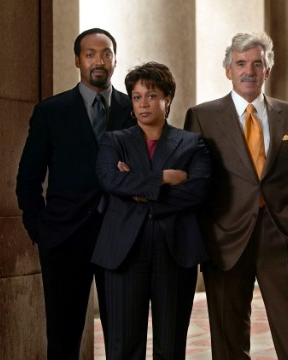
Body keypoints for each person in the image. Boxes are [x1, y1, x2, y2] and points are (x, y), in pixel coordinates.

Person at [184, 32, 288, 360]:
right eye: (241, 63)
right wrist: (201, 239)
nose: (249, 70)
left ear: (268, 70)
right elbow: (194, 185)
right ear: (228, 70)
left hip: (284, 237)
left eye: (257, 64)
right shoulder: (202, 116)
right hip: (224, 240)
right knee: (228, 340)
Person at [15, 28, 133, 359]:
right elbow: (28, 178)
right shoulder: (51, 112)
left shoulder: (132, 110)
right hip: (63, 239)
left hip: (120, 239)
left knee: (123, 338)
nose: (100, 60)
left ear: (115, 59)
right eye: (91, 54)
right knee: (63, 338)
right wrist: (39, 228)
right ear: (77, 60)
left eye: (106, 53)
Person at [91, 62, 211, 359]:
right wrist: (163, 178)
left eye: (151, 95)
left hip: (175, 251)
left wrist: (138, 188)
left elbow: (197, 191)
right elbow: (109, 180)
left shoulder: (191, 143)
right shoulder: (114, 141)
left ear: (167, 99)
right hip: (122, 251)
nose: (143, 103)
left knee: (170, 347)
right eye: (136, 96)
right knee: (121, 346)